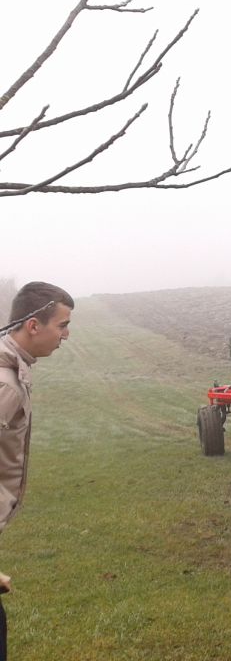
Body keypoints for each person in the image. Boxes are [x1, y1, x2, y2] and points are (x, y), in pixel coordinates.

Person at [0, 282, 73, 660]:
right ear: (33, 325)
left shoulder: (11, 368)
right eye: (61, 325)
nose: (66, 334)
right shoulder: (4, 384)